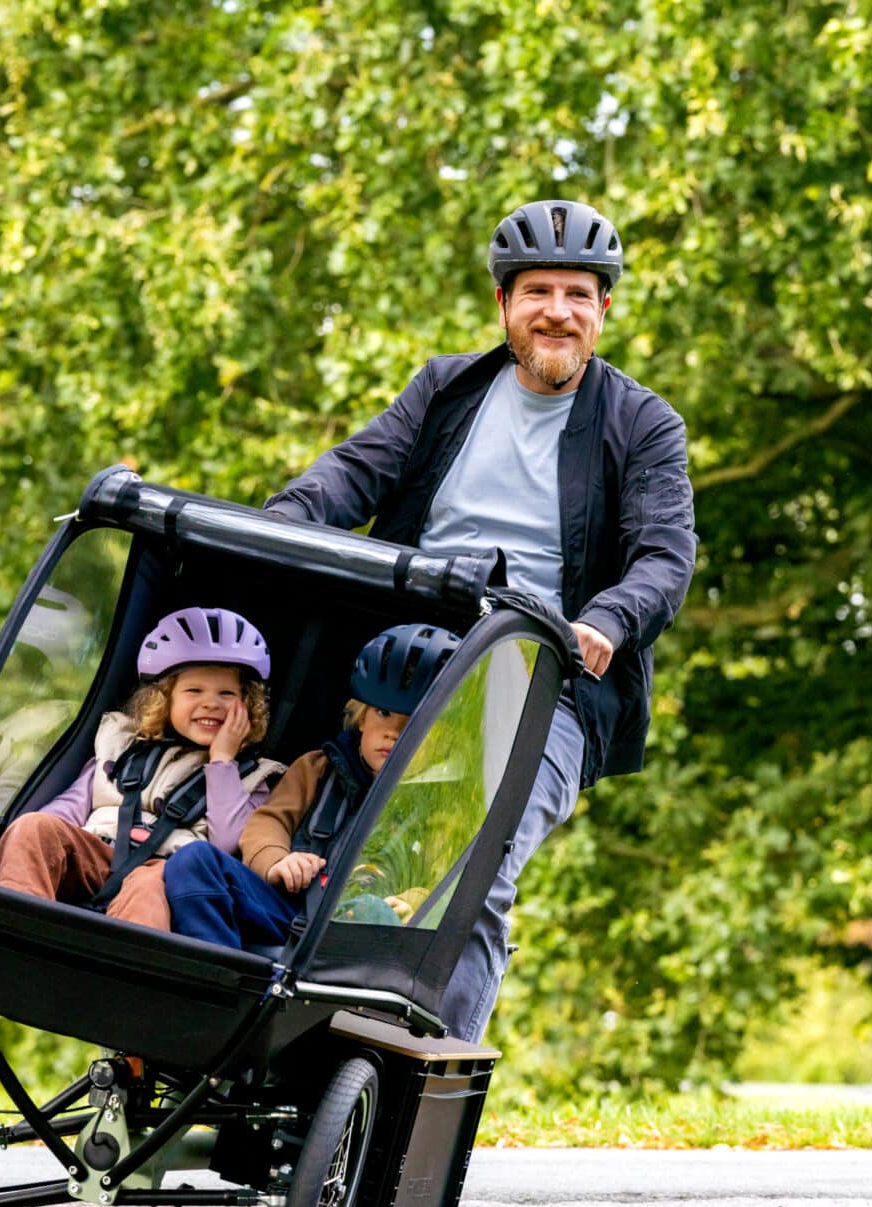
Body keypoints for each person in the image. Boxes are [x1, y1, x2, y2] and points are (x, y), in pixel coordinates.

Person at [264, 199, 698, 1041]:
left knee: (473, 870)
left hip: (545, 677)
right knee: (301, 825)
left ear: (604, 309)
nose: (558, 312)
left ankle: (430, 1073)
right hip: (406, 663)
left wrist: (607, 619)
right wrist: (281, 523)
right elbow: (352, 473)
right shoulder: (446, 389)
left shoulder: (641, 423)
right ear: (503, 304)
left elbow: (664, 555)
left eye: (578, 294)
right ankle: (291, 1055)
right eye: (538, 292)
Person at [163, 624, 461, 951]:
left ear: (442, 736)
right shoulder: (316, 768)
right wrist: (278, 862)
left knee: (371, 910)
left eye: (415, 722)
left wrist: (413, 901)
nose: (394, 732)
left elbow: (446, 879)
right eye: (384, 713)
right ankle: (213, 966)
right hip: (288, 906)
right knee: (194, 860)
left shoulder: (444, 804)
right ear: (362, 717)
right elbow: (269, 822)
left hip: (354, 930)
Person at [0, 607, 288, 929]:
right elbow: (70, 807)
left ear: (248, 706)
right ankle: (14, 929)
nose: (211, 703)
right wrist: (47, 843)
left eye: (227, 694)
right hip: (99, 852)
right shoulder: (121, 747)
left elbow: (228, 844)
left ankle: (118, 959)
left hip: (165, 876)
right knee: (33, 828)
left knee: (147, 885)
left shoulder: (253, 777)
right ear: (164, 699)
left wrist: (222, 761)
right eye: (194, 690)